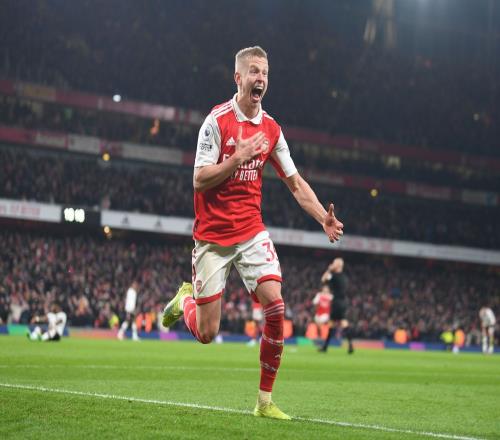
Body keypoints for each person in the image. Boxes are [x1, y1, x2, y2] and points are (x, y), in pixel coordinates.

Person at [162, 46, 343, 420]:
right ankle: (185, 301)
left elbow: (295, 183)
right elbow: (199, 179)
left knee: (276, 305)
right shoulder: (216, 122)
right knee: (207, 333)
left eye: (265, 73)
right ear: (238, 78)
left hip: (250, 231)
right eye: (254, 71)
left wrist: (321, 218)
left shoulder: (272, 129)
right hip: (212, 236)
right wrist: (237, 158)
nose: (260, 78)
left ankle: (264, 401)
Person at [318, 258, 354, 354]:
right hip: (344, 301)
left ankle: (325, 347)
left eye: (334, 263)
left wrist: (329, 270)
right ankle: (350, 346)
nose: (332, 264)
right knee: (342, 322)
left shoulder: (334, 276)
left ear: (338, 265)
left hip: (337, 301)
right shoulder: (344, 277)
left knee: (334, 323)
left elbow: (323, 280)